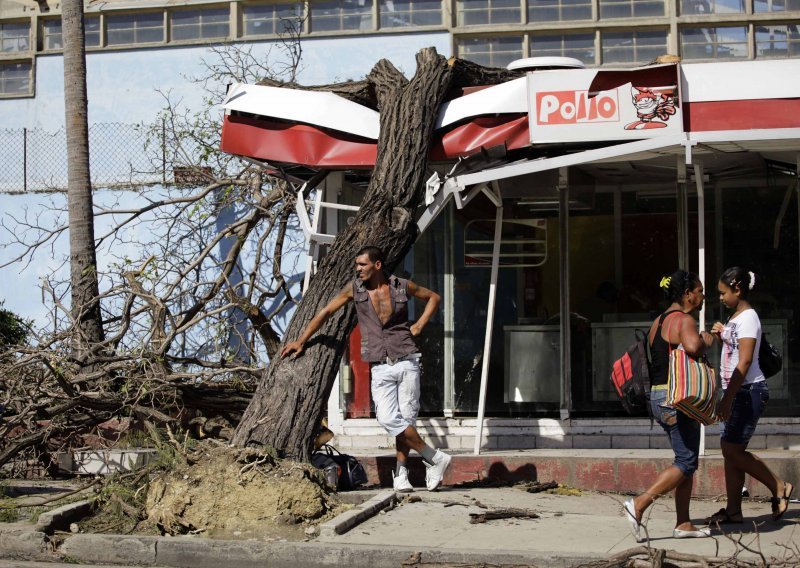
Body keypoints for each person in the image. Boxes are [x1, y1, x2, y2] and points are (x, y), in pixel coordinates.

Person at [280, 246, 452, 492]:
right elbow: (326, 312)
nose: (357, 269)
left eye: (362, 264)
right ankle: (434, 458)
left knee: (405, 420)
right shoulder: (355, 289)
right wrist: (301, 340)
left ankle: (401, 475)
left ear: (377, 265)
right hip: (380, 365)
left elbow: (434, 297)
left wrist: (420, 325)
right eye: (357, 264)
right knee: (388, 419)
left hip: (407, 360)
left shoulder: (402, 286)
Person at [623, 270, 715, 542]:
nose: (702, 295)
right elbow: (693, 347)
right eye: (699, 290)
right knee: (686, 461)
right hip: (678, 398)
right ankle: (638, 505)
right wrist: (707, 339)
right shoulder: (684, 320)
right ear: (687, 294)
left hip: (658, 396)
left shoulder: (658, 321)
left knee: (685, 459)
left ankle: (683, 523)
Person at [704, 267, 794, 525]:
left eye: (723, 293)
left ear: (737, 289)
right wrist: (723, 338)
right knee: (731, 450)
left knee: (731, 450)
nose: (720, 298)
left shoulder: (749, 318)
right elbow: (735, 354)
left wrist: (727, 398)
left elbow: (744, 364)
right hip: (738, 391)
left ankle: (779, 485)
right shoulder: (736, 318)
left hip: (747, 391)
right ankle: (733, 511)